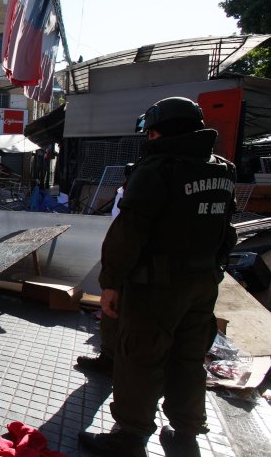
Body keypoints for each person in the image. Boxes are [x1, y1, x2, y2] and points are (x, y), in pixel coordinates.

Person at [78, 97, 238, 457]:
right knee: (188, 356)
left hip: (156, 287)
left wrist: (111, 283)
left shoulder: (156, 169)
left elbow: (128, 233)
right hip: (203, 282)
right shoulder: (223, 170)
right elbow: (225, 229)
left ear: (157, 130)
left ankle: (130, 436)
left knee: (140, 358)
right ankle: (185, 432)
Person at [77, 164, 133, 376]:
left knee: (114, 312)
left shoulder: (134, 190)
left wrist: (110, 282)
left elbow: (123, 233)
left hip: (130, 267)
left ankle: (111, 360)